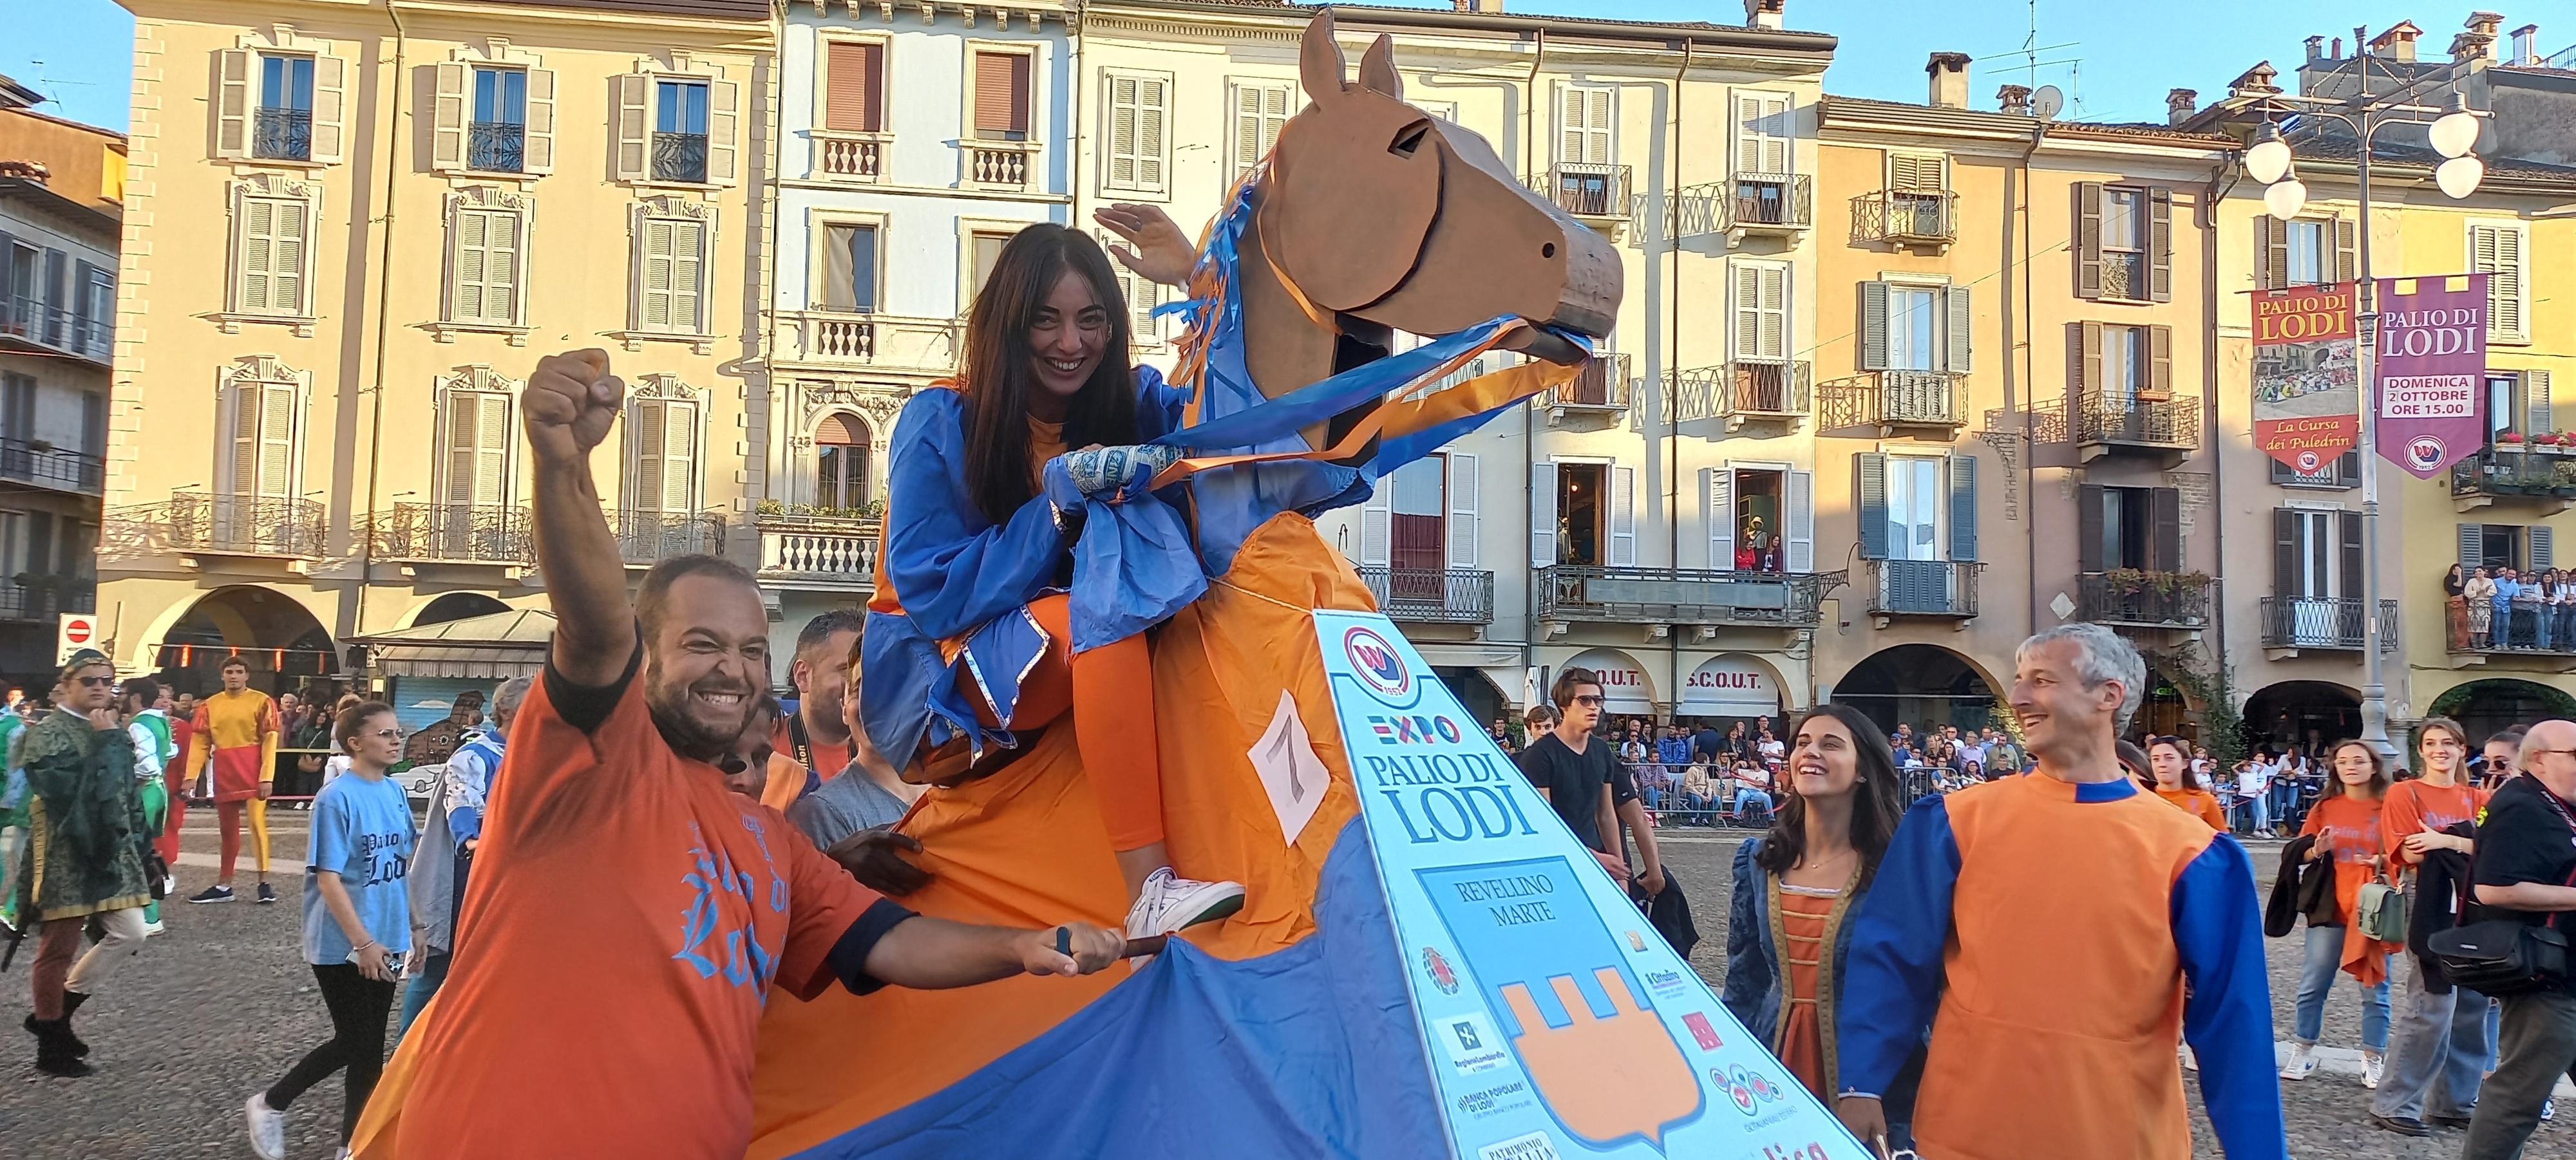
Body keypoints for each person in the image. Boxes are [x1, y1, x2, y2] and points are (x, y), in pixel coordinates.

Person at [374, 350, 1126, 1157]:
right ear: (648, 662)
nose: (733, 668)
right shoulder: (589, 768)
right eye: (702, 644)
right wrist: (562, 463)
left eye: (750, 649)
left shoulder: (774, 846)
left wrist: (1025, 945)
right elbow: (592, 629)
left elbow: (892, 942)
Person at [864, 222, 1242, 939]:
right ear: (1009, 324)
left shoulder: (1138, 402)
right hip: (932, 690)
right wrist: (1055, 509)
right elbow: (934, 593)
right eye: (1047, 319)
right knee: (1107, 610)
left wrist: (1203, 282)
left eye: (1091, 318)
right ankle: (1149, 889)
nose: (1071, 342)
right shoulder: (939, 416)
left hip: (1070, 651)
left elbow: (1234, 425)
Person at [1835, 624, 2282, 1159]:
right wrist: (1861, 1083)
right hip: (1965, 1132)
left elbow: (2234, 1025)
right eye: (2020, 681)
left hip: (2119, 1137)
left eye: (2042, 681)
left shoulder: (2194, 853)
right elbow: (1891, 960)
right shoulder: (1953, 822)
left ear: (2108, 696)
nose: (2019, 697)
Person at [1723, 704, 1920, 1137]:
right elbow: (1744, 980)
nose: (1810, 752)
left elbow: (1918, 989)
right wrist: (1723, 1061)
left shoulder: (1898, 867)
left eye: (1830, 744)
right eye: (1802, 743)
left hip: (1872, 1076)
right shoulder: (1759, 861)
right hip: (1773, 1056)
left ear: (1863, 769)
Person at [245, 702, 417, 1159]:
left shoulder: (396, 792)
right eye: (385, 734)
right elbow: (328, 876)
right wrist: (362, 942)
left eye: (397, 732)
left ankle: (351, 1147)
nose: (395, 740)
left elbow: (401, 865)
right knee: (356, 1039)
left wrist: (413, 925)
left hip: (389, 933)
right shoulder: (336, 797)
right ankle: (271, 1103)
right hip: (344, 941)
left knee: (368, 1048)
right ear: (356, 743)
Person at [14, 651, 153, 1078]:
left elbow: (127, 796)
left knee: (131, 931)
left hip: (114, 851)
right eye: (90, 680)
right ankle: (52, 1045)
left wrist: (148, 850)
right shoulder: (47, 734)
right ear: (68, 684)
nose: (99, 687)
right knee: (58, 947)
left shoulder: (114, 730)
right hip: (66, 851)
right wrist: (108, 742)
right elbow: (75, 798)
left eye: (106, 681)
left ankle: (53, 1017)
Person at [2456, 719, 2576, 1159]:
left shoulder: (2555, 803)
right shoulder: (2521, 805)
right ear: (2540, 759)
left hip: (2566, 967)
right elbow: (2494, 888)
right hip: (2546, 974)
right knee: (2519, 1094)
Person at [2367, 716, 2491, 1136]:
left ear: (2462, 749)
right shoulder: (2406, 792)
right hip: (2430, 900)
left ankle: (2455, 1103)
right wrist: (2465, 842)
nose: (2440, 749)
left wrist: (2446, 841)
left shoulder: (2477, 796)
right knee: (2431, 1005)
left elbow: (2496, 850)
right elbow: (2411, 853)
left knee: (2472, 1006)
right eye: (2431, 743)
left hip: (2475, 902)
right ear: (2421, 751)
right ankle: (2396, 1102)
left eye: (2449, 743)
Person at [395, 675, 533, 1039]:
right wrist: (472, 839)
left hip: (522, 879)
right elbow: (462, 804)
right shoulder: (475, 755)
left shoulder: (540, 755)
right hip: (471, 875)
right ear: (505, 710)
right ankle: (405, 1053)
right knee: (439, 967)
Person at [2280, 740, 2399, 1088]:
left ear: (2374, 766)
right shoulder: (2325, 807)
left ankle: (2373, 1057)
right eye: (2343, 761)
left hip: (2372, 904)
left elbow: (2403, 856)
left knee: (2375, 987)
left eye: (2358, 761)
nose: (2350, 766)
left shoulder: (2389, 807)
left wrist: (2382, 862)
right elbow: (2300, 853)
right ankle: (2303, 1049)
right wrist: (2317, 849)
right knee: (2313, 982)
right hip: (2329, 902)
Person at [790, 628, 927, 854]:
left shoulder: (960, 787)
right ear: (845, 708)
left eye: (894, 690)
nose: (872, 704)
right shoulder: (823, 811)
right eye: (858, 689)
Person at [1513, 669, 1627, 881]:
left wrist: (1620, 873)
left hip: (1594, 858)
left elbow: (1606, 814)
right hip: (1553, 862)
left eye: (1598, 700)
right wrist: (1595, 858)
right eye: (1584, 700)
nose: (1593, 706)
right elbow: (1544, 823)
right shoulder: (1540, 755)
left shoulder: (1601, 750)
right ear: (1565, 706)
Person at [184, 657, 280, 905]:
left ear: (247, 675)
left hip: (252, 765)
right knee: (228, 830)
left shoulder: (261, 701)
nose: (234, 676)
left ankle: (264, 882)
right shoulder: (210, 705)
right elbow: (200, 742)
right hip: (225, 766)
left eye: (239, 671)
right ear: (222, 675)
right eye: (230, 671)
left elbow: (270, 740)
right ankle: (224, 883)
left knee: (257, 824)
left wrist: (266, 776)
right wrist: (190, 777)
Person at [775, 610, 863, 802]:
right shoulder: (760, 751)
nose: (859, 684)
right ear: (803, 676)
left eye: (867, 671)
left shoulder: (886, 755)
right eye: (846, 670)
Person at [123, 677, 175, 935]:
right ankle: (148, 914)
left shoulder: (139, 725)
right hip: (159, 789)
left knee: (134, 852)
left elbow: (147, 764)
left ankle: (148, 915)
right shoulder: (161, 721)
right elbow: (169, 753)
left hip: (145, 790)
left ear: (135, 698)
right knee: (143, 850)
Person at [2145, 735, 2227, 830]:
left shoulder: (2204, 800)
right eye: (2155, 759)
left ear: (2185, 763)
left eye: (2169, 758)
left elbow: (2223, 841)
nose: (2162, 764)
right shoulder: (2142, 799)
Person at [2237, 751, 2277, 838]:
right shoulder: (2250, 767)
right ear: (2254, 757)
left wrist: (2265, 787)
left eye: (2262, 756)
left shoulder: (2265, 767)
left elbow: (2273, 775)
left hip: (2262, 792)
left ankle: (2263, 828)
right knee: (2256, 812)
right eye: (2258, 756)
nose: (2261, 758)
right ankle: (2257, 829)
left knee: (2263, 810)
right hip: (2252, 793)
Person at [2467, 566, 2497, 649]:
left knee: (2485, 624)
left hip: (2485, 605)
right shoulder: (2471, 581)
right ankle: (2474, 643)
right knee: (2473, 625)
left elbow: (2494, 591)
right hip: (2474, 605)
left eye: (2480, 571)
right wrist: (2477, 592)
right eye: (2476, 572)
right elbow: (2467, 592)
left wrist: (2486, 592)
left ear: (2484, 572)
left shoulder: (2489, 581)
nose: (2478, 573)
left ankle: (2482, 643)